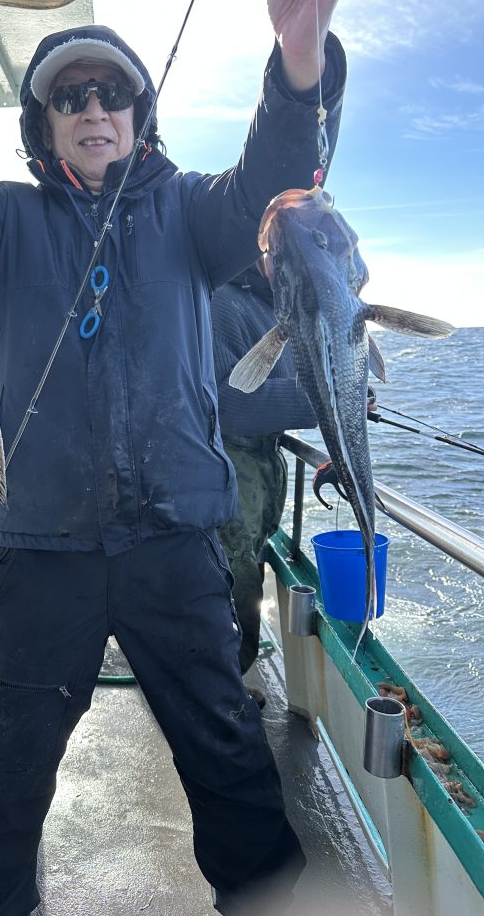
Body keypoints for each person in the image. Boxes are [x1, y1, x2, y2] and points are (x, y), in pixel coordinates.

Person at [0, 0, 347, 913]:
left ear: (139, 114)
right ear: (44, 123)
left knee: (236, 778)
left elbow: (273, 172)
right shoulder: (4, 224)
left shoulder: (196, 213)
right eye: (70, 95)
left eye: (113, 91)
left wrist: (299, 49)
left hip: (176, 549)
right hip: (38, 554)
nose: (94, 106)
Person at [212, 266, 317, 702]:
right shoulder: (221, 301)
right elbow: (227, 402)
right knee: (235, 574)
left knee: (251, 562)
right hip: (233, 461)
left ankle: (228, 679)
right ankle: (223, 690)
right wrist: (318, 400)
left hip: (266, 460)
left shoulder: (276, 307)